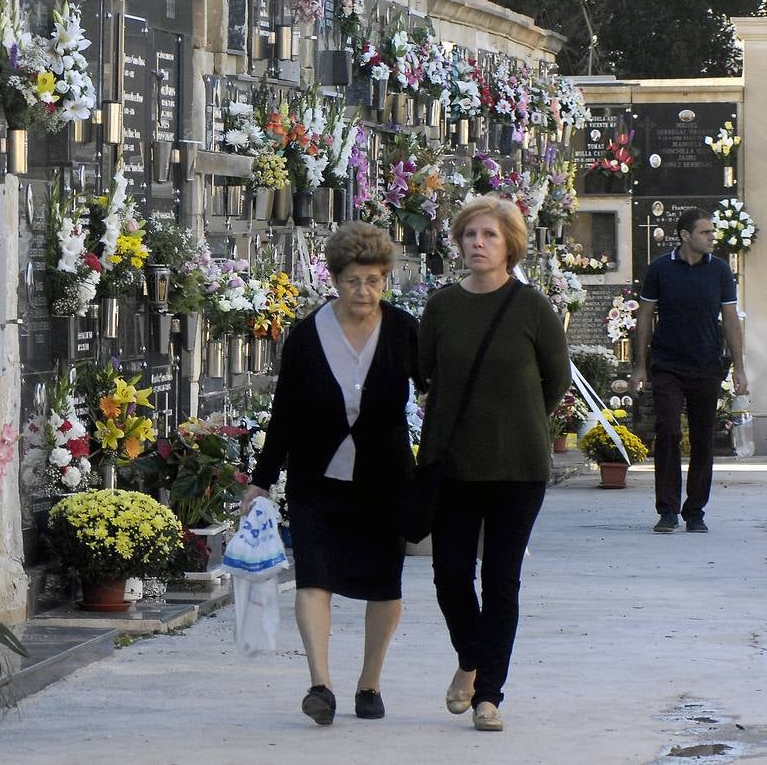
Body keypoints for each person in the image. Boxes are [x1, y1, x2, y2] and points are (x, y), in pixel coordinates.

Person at [243, 222, 423, 725]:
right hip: (315, 479)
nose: (362, 292)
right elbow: (285, 414)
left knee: (385, 584)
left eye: (373, 281)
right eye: (352, 281)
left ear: (385, 280)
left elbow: (438, 392)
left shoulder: (405, 331)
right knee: (314, 578)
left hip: (385, 478)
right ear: (335, 279)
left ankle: (370, 683)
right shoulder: (306, 335)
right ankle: (320, 684)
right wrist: (261, 478)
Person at [418, 195, 569, 732]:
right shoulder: (440, 307)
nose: (478, 243)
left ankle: (489, 695)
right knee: (449, 576)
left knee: (502, 580)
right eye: (470, 235)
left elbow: (557, 380)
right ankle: (470, 655)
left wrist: (519, 420)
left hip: (518, 467)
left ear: (510, 246)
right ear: (458, 243)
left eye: (489, 236)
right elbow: (424, 374)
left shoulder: (531, 306)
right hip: (453, 464)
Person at [630, 207, 746, 534]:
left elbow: (732, 321)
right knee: (668, 430)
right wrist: (640, 366)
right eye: (705, 232)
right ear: (685, 236)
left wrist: (739, 368)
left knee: (702, 439)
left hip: (707, 365)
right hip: (667, 364)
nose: (712, 237)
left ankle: (695, 510)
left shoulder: (721, 271)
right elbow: (644, 318)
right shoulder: (659, 269)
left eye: (712, 232)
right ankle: (667, 509)